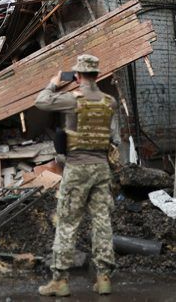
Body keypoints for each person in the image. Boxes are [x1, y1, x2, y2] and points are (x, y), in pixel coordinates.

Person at [35, 54, 119, 297]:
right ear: (98, 75)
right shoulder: (109, 102)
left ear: (79, 76)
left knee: (67, 223)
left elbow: (41, 101)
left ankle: (60, 281)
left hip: (77, 168)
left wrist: (54, 82)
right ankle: (103, 278)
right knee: (102, 221)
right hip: (101, 167)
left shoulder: (73, 100)